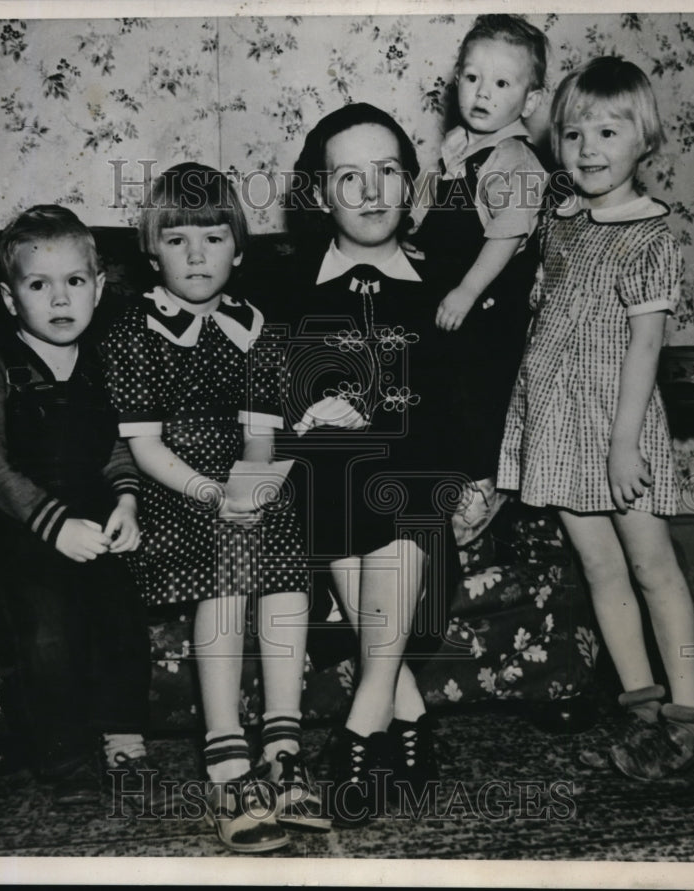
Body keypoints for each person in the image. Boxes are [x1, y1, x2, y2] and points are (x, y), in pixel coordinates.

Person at [100, 163, 326, 853]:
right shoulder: (134, 327)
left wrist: (252, 486)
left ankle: (282, 741)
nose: (196, 255)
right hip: (178, 488)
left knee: (285, 553)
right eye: (176, 240)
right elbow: (143, 447)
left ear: (237, 246)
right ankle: (225, 754)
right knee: (230, 559)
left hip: (240, 478)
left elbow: (261, 428)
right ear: (150, 250)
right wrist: (213, 493)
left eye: (212, 236)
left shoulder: (254, 324)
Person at [497, 57, 694, 780]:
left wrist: (624, 445)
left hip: (619, 428)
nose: (588, 148)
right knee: (598, 566)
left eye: (608, 131)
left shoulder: (651, 233)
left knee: (653, 568)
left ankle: (686, 721)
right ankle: (641, 714)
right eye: (572, 132)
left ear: (643, 140)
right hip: (558, 422)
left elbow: (645, 346)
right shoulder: (558, 224)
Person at [274, 103, 468, 826]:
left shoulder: (447, 284)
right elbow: (265, 399)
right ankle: (408, 720)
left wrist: (477, 481)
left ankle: (362, 731)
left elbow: (457, 408)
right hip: (327, 497)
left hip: (418, 499)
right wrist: (315, 411)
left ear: (410, 185)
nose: (369, 190)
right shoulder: (283, 286)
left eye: (387, 171)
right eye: (347, 176)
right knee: (332, 452)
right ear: (321, 193)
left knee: (403, 467)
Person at [0, 205, 153, 805]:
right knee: (47, 626)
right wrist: (52, 524)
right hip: (17, 527)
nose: (59, 299)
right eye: (38, 284)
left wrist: (125, 502)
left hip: (91, 518)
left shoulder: (104, 362)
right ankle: (65, 759)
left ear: (98, 287)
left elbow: (117, 446)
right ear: (11, 298)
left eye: (74, 281)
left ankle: (125, 740)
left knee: (121, 609)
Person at [411, 14, 550, 546]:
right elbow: (425, 216)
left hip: (488, 308)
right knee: (434, 385)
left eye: (501, 83)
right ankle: (445, 474)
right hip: (448, 297)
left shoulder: (514, 158)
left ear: (530, 101)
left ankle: (484, 483)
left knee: (473, 391)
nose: (482, 93)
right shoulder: (456, 149)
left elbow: (508, 237)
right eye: (472, 78)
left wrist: (468, 292)